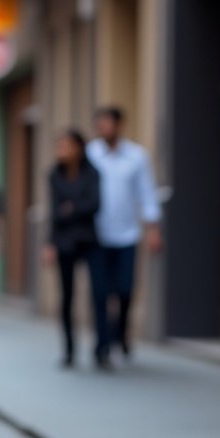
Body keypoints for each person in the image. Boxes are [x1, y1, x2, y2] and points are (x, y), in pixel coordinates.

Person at [87, 106, 163, 363]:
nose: (104, 128)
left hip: (127, 234)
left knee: (125, 290)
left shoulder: (137, 156)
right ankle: (103, 343)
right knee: (99, 292)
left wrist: (153, 229)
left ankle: (121, 333)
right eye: (100, 124)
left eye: (108, 123)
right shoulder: (91, 154)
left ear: (119, 126)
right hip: (96, 235)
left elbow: (147, 193)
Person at [43, 130, 101, 368]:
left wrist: (71, 208)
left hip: (89, 240)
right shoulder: (54, 175)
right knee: (67, 297)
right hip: (64, 242)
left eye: (66, 146)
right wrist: (49, 243)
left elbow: (95, 205)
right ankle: (69, 349)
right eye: (59, 146)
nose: (61, 151)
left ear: (78, 148)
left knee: (99, 294)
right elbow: (55, 212)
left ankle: (102, 348)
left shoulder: (92, 173)